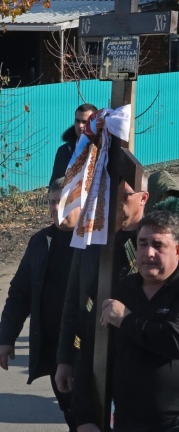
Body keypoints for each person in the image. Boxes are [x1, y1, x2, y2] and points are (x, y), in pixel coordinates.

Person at [74, 210, 179, 432]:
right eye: (142, 243)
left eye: (158, 245)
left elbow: (177, 342)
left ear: (178, 250)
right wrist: (84, 418)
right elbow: (90, 352)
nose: (148, 252)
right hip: (128, 421)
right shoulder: (121, 290)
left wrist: (125, 319)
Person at [55, 177, 150, 428]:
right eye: (111, 194)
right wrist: (64, 358)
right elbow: (74, 297)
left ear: (143, 198)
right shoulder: (91, 236)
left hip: (139, 368)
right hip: (92, 357)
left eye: (126, 194)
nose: (117, 202)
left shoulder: (154, 246)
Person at [0, 178, 81, 431]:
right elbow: (19, 293)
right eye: (52, 202)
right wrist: (6, 338)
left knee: (89, 413)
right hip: (53, 347)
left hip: (86, 348)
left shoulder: (95, 243)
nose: (56, 208)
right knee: (70, 410)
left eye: (63, 202)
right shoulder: (40, 241)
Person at [50, 103, 98, 185]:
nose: (80, 125)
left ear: (95, 124)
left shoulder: (103, 151)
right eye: (77, 121)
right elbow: (54, 185)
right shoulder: (63, 151)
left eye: (84, 122)